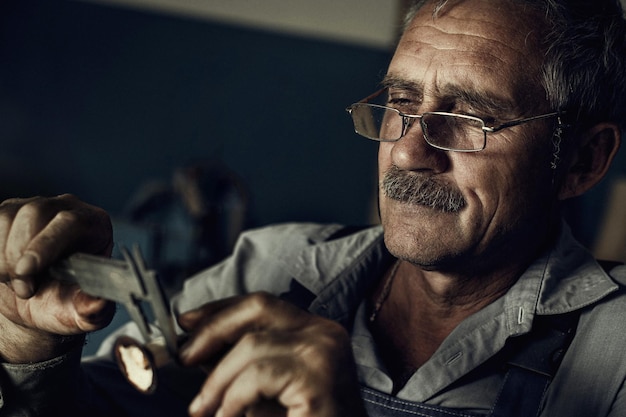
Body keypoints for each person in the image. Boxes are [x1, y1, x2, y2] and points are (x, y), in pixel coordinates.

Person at [1, 0, 625, 415]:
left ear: (583, 162)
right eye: (400, 103)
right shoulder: (271, 268)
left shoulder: (615, 353)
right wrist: (28, 346)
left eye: (472, 117)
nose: (407, 153)